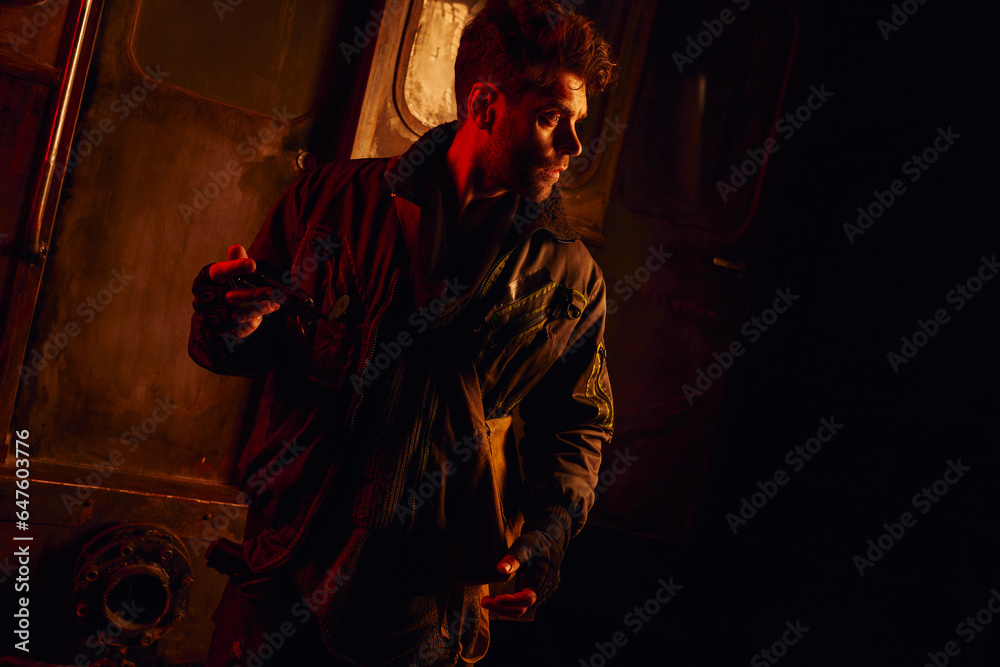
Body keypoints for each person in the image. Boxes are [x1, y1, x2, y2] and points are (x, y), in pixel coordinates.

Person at [188, 0, 617, 663]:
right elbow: (244, 344)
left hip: (424, 601)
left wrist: (545, 540)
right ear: (483, 106)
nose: (572, 147)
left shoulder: (571, 275)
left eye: (577, 123)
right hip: (282, 571)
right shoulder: (332, 200)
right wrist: (229, 318)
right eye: (551, 119)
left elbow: (578, 423)